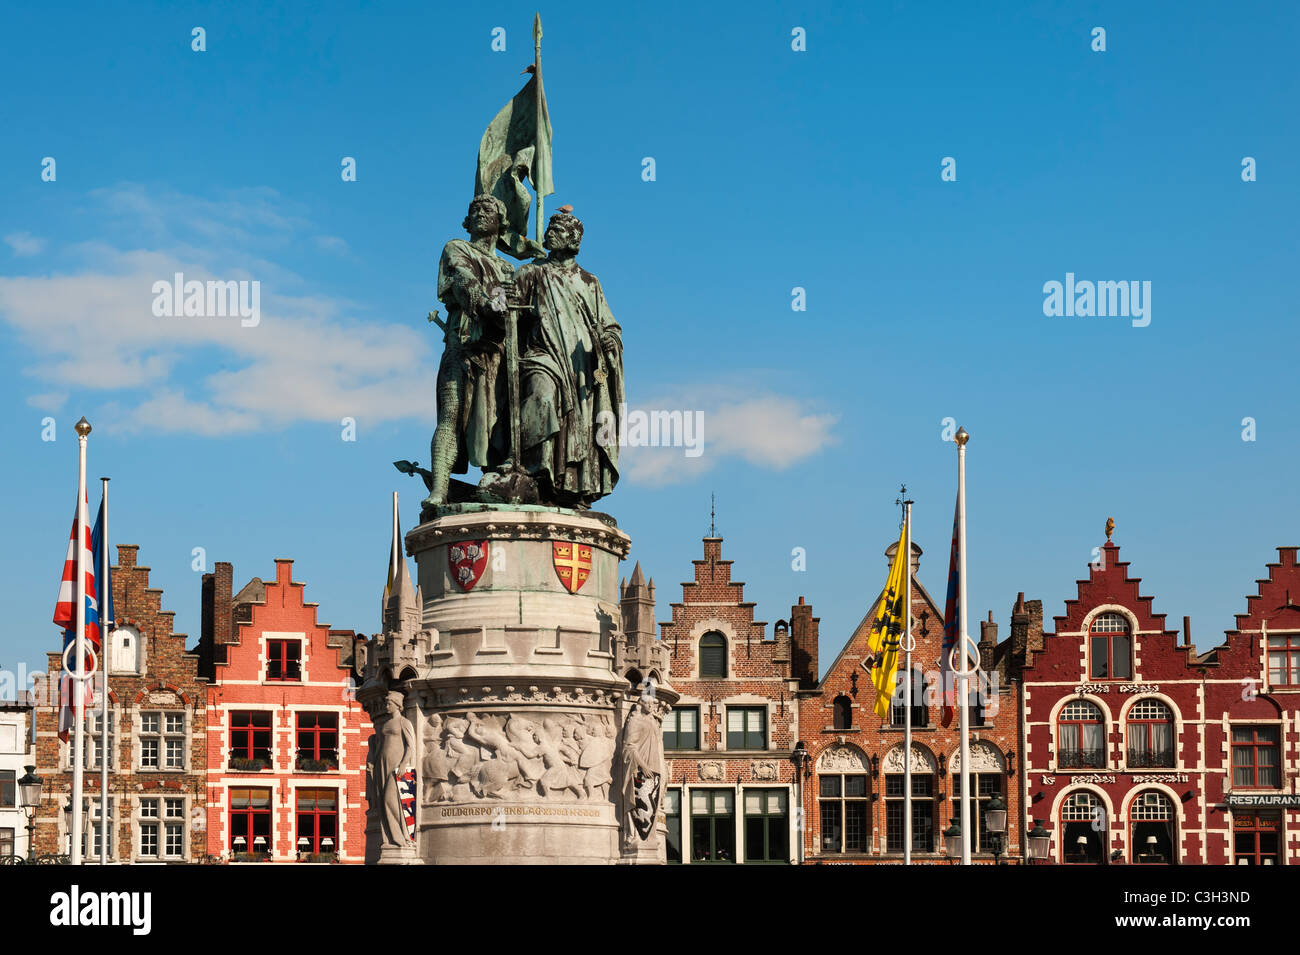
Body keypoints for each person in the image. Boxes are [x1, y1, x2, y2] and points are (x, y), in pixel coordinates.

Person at [512, 211, 624, 508]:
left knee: (582, 427)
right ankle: (538, 476)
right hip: (542, 355)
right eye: (549, 227)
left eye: (558, 228)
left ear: (574, 239)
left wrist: (609, 340)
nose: (550, 232)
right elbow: (507, 310)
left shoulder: (590, 282)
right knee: (542, 398)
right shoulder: (530, 273)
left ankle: (574, 488)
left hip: (581, 368)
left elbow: (610, 325)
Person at [426, 195, 517, 506]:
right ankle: (438, 489)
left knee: (499, 421)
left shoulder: (508, 269)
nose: (479, 213)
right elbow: (463, 281)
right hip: (462, 344)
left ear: (500, 222)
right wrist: (489, 301)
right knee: (450, 412)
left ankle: (495, 485)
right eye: (474, 210)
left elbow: (515, 311)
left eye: (488, 209)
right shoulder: (456, 248)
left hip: (498, 352)